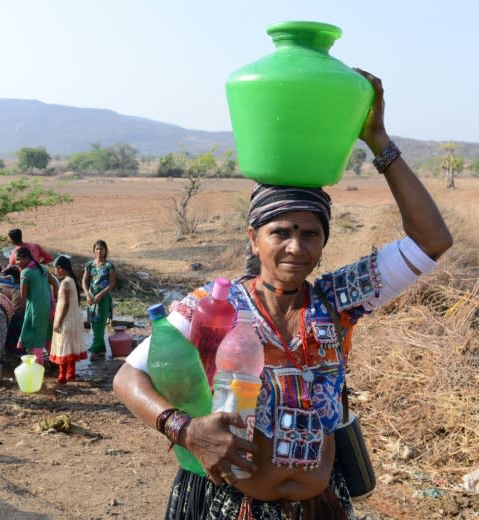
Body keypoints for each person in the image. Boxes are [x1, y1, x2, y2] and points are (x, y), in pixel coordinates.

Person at [112, 70, 453, 519]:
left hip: (320, 506)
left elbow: (431, 241)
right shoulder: (214, 307)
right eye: (281, 232)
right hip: (232, 506)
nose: (296, 247)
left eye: (311, 233)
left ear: (324, 241)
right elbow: (127, 378)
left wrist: (379, 140)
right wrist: (185, 428)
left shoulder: (338, 299)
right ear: (253, 238)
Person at [50, 255, 87, 384]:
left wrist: (58, 322)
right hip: (73, 320)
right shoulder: (72, 280)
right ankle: (71, 374)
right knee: (70, 347)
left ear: (60, 268)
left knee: (63, 347)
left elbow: (65, 304)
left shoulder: (65, 282)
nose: (55, 272)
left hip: (65, 320)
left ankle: (62, 377)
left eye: (55, 269)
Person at [16, 246, 52, 365]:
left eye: (18, 259)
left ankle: (38, 365)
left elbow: (23, 294)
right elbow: (54, 283)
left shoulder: (25, 272)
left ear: (26, 258)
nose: (16, 262)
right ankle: (55, 361)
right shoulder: (42, 267)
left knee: (36, 335)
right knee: (46, 333)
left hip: (36, 306)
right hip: (47, 305)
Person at [82, 239, 116, 361]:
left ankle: (95, 349)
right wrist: (87, 294)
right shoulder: (89, 265)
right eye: (97, 249)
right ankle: (101, 348)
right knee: (94, 323)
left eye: (101, 249)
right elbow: (84, 281)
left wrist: (100, 295)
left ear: (105, 250)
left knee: (100, 325)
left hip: (103, 298)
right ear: (94, 250)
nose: (99, 251)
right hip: (91, 298)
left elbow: (111, 284)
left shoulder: (109, 266)